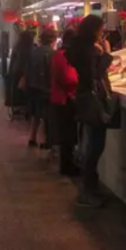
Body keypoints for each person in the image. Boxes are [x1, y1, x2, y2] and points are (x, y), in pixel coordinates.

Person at [67, 14, 116, 208]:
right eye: (101, 29)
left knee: (92, 146)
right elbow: (93, 75)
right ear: (94, 30)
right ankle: (87, 191)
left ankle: (91, 188)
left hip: (85, 100)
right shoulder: (88, 51)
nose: (102, 32)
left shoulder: (78, 48)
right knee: (95, 147)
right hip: (92, 102)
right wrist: (106, 55)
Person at [51, 29, 80, 177]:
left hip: (60, 98)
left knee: (66, 135)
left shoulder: (58, 54)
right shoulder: (64, 56)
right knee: (68, 136)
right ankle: (67, 166)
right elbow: (69, 79)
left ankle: (67, 164)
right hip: (65, 99)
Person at [26, 28, 57, 148]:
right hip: (46, 88)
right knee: (46, 115)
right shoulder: (53, 54)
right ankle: (44, 140)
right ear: (53, 40)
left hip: (33, 87)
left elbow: (28, 69)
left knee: (36, 114)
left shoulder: (33, 52)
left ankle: (32, 137)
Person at [6, 31, 35, 112]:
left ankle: (18, 108)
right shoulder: (29, 49)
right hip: (23, 74)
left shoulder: (17, 47)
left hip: (15, 73)